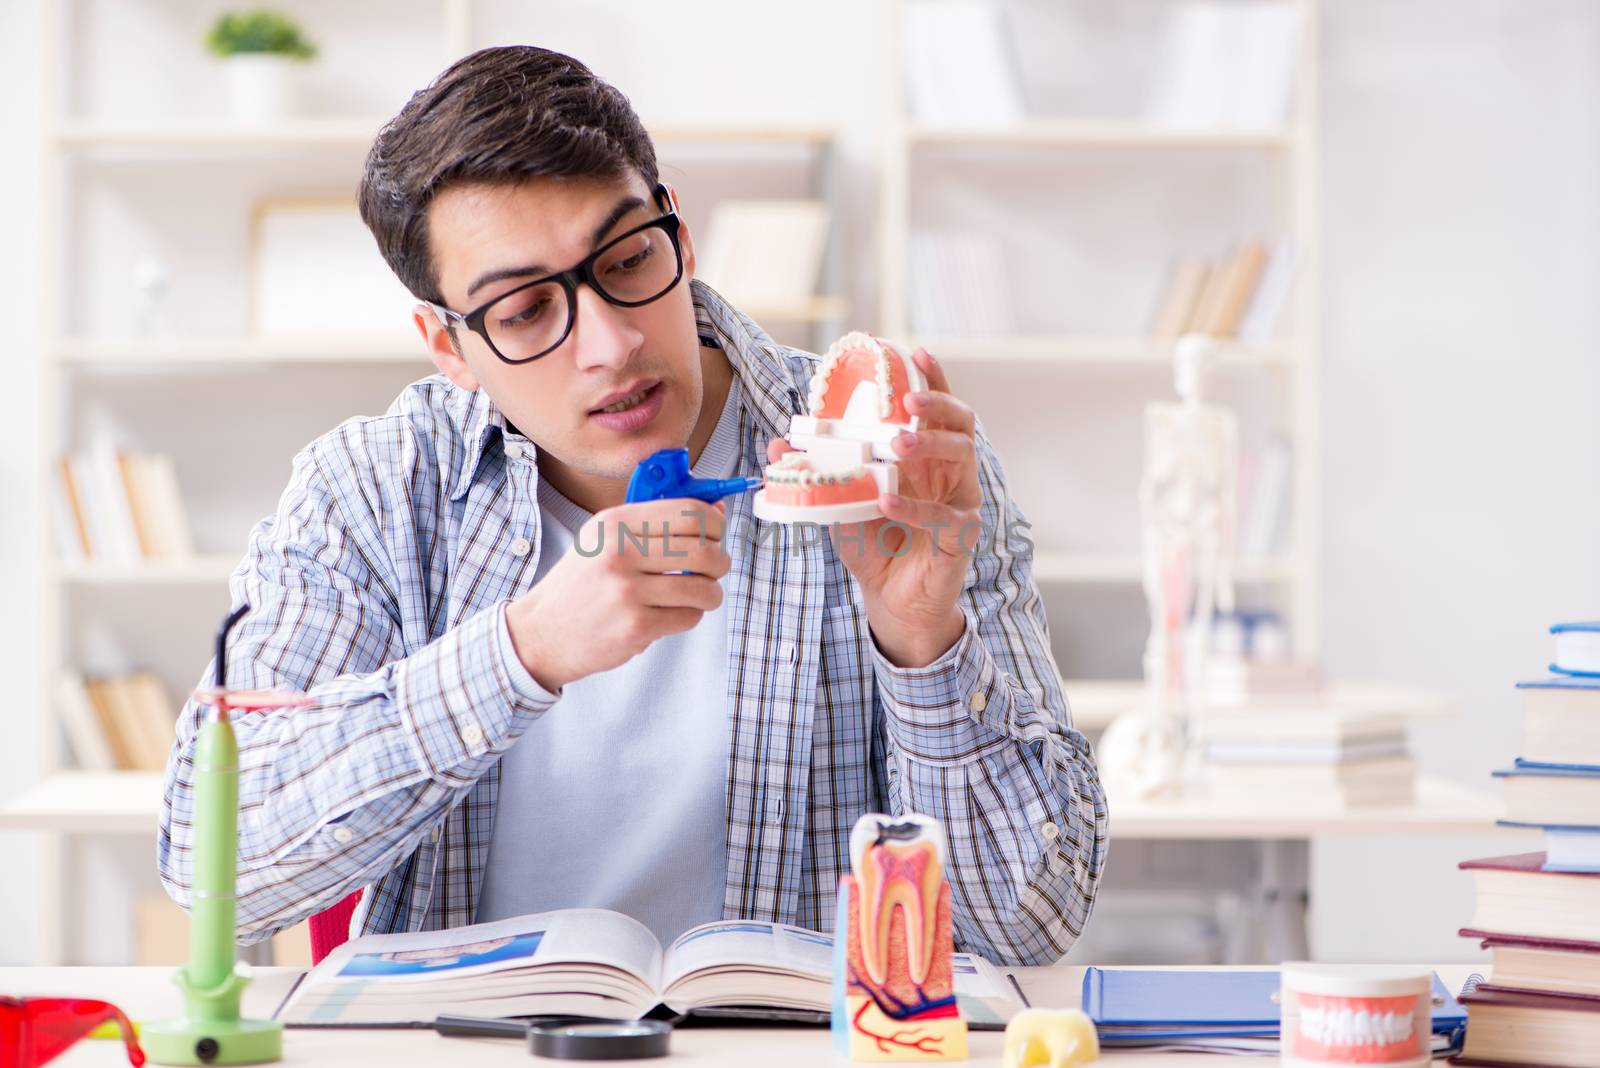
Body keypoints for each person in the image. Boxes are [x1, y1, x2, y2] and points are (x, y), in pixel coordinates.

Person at [157, 45, 1106, 966]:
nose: (610, 344)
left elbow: (1032, 927)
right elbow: (210, 867)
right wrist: (523, 653)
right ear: (446, 345)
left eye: (626, 258)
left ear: (680, 234)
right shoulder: (370, 491)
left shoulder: (895, 464)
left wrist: (923, 642)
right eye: (525, 312)